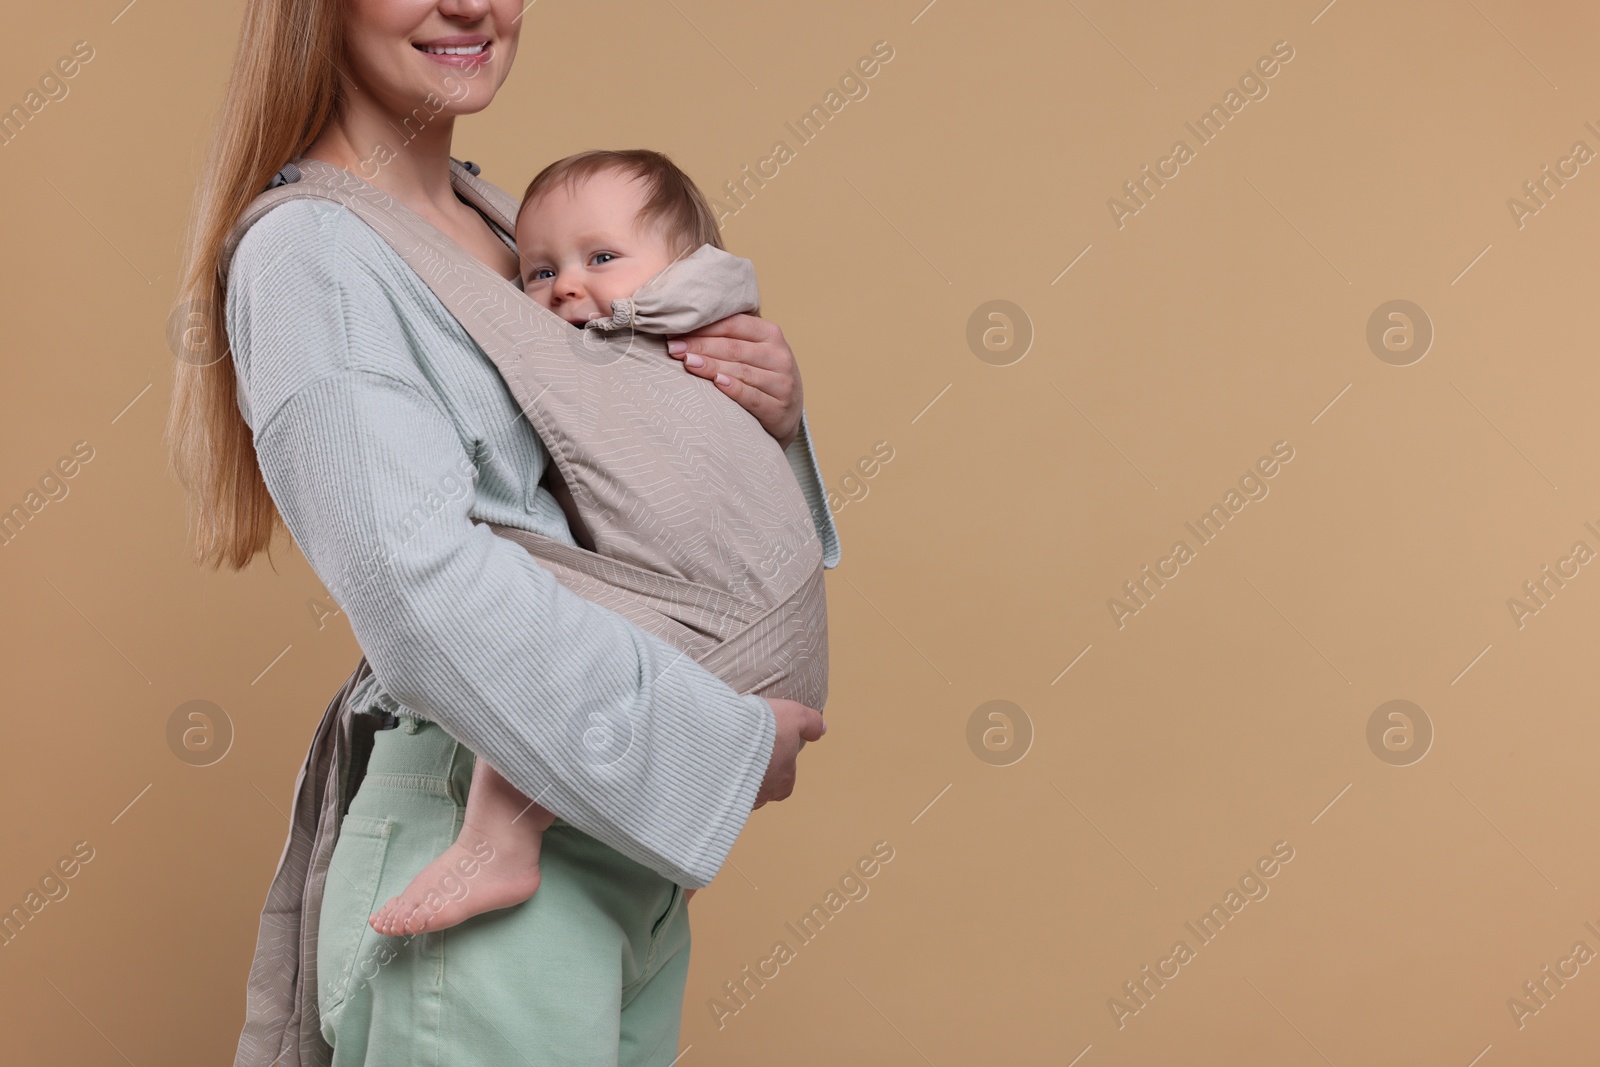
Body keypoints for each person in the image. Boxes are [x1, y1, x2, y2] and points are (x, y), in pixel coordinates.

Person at [165, 2, 837, 1064]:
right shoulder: (316, 255)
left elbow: (610, 499)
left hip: (612, 847)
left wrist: (758, 403)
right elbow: (412, 581)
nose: (471, 2)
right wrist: (719, 736)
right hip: (474, 822)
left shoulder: (516, 224)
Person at [367, 147, 829, 938]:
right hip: (765, 643)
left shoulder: (675, 322)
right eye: (538, 274)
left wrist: (783, 410)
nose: (566, 287)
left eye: (602, 258)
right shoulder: (688, 315)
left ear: (685, 264)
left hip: (729, 635)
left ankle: (496, 840)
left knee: (523, 614)